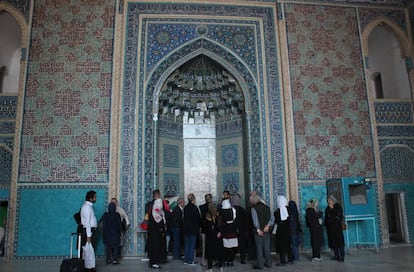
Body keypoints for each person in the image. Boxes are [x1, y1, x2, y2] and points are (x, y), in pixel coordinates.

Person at [250, 193, 273, 270]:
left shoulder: (254, 208)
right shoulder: (267, 207)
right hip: (267, 230)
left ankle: (260, 265)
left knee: (259, 248)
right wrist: (267, 226)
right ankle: (269, 263)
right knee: (267, 248)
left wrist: (258, 230)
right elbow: (272, 219)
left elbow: (255, 221)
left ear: (253, 201)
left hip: (259, 232)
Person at [324, 195, 345, 262]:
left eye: (330, 200)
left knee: (340, 243)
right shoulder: (327, 208)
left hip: (337, 228)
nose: (329, 201)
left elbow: (339, 216)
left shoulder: (338, 206)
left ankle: (342, 256)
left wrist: (332, 209)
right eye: (328, 200)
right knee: (333, 243)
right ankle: (336, 255)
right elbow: (326, 218)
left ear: (333, 200)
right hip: (330, 229)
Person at [80, 191, 98, 272]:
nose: (96, 198)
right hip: (89, 231)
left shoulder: (88, 206)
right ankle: (88, 268)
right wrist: (88, 235)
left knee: (89, 250)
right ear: (91, 198)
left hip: (90, 230)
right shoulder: (87, 207)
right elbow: (87, 222)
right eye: (95, 197)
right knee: (88, 250)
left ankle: (89, 267)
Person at [274, 195, 293, 266]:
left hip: (280, 230)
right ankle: (290, 260)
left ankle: (283, 261)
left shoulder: (277, 212)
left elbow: (276, 221)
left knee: (281, 245)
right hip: (287, 230)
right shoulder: (289, 210)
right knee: (288, 245)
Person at [148, 198, 166, 269]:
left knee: (154, 248)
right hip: (156, 235)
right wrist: (162, 230)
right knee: (155, 247)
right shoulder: (155, 213)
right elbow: (159, 223)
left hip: (154, 235)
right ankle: (154, 262)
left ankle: (153, 262)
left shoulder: (156, 212)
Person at [219, 199, 238, 267]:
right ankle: (231, 260)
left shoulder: (222, 212)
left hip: (225, 231)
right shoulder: (233, 210)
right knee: (233, 247)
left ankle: (226, 260)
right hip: (232, 230)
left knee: (226, 247)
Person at [205, 203, 224, 272]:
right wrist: (220, 232)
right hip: (218, 236)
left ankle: (210, 268)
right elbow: (221, 225)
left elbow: (208, 227)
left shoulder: (208, 215)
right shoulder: (218, 215)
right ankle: (221, 267)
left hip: (211, 236)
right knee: (219, 252)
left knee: (210, 253)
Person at [183, 193, 201, 265]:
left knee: (187, 245)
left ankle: (186, 260)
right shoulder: (195, 208)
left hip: (186, 229)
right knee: (192, 245)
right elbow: (198, 219)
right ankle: (190, 260)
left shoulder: (185, 208)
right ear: (193, 199)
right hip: (193, 229)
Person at [231, 194, 248, 264]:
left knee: (232, 245)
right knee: (242, 246)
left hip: (233, 230)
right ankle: (242, 259)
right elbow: (245, 220)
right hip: (241, 230)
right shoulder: (242, 209)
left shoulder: (230, 209)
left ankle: (231, 259)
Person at [199, 193, 213, 266]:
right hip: (206, 229)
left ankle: (210, 260)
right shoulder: (203, 207)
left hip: (210, 229)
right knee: (205, 245)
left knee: (210, 245)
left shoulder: (213, 207)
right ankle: (204, 260)